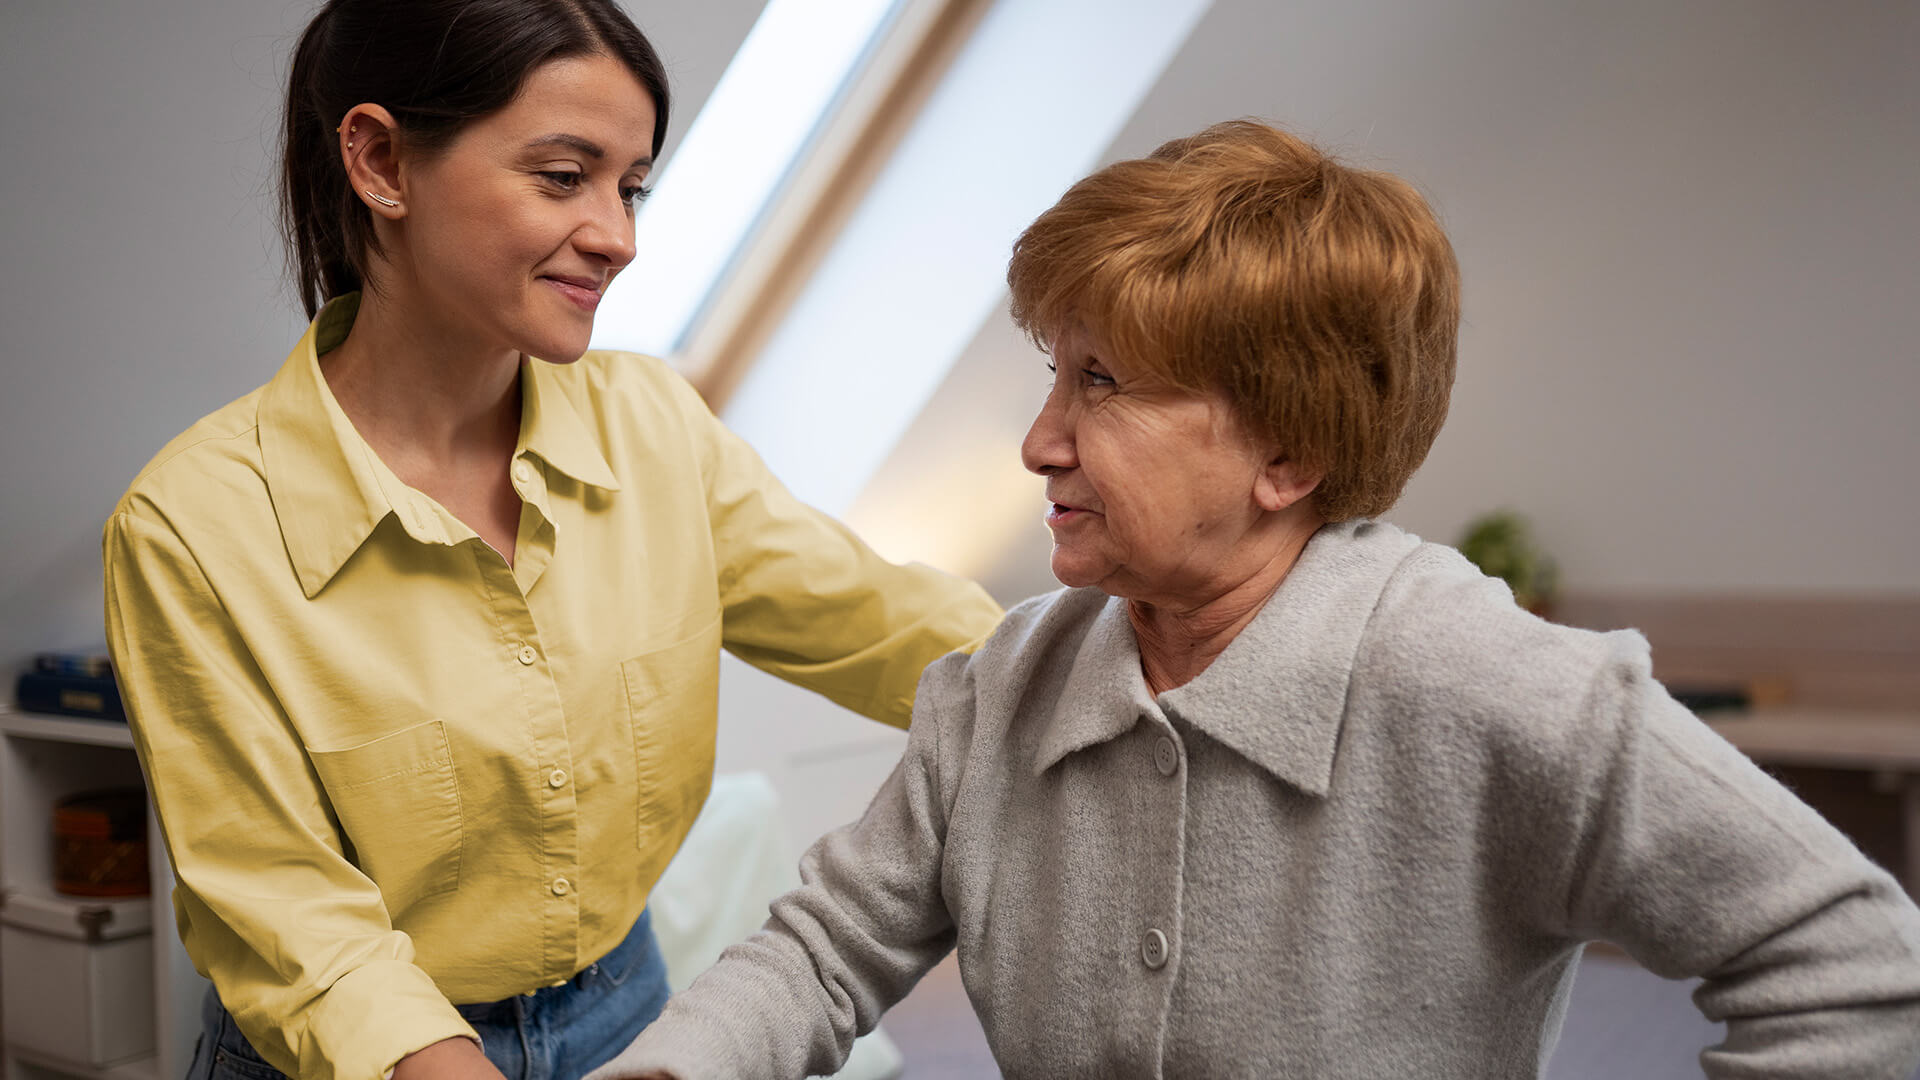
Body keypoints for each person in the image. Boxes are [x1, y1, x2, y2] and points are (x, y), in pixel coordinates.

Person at [587, 120, 1920, 1079]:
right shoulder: (1001, 688)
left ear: (1290, 452)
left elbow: (1859, 970)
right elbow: (826, 952)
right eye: (1054, 374)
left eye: (1100, 384)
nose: (1040, 441)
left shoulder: (1496, 687)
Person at [100, 3, 1003, 1079]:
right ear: (381, 159)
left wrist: (1144, 661)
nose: (619, 236)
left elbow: (883, 625)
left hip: (628, 1011)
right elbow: (290, 915)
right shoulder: (192, 528)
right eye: (564, 176)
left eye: (631, 187)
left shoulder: (654, 429)